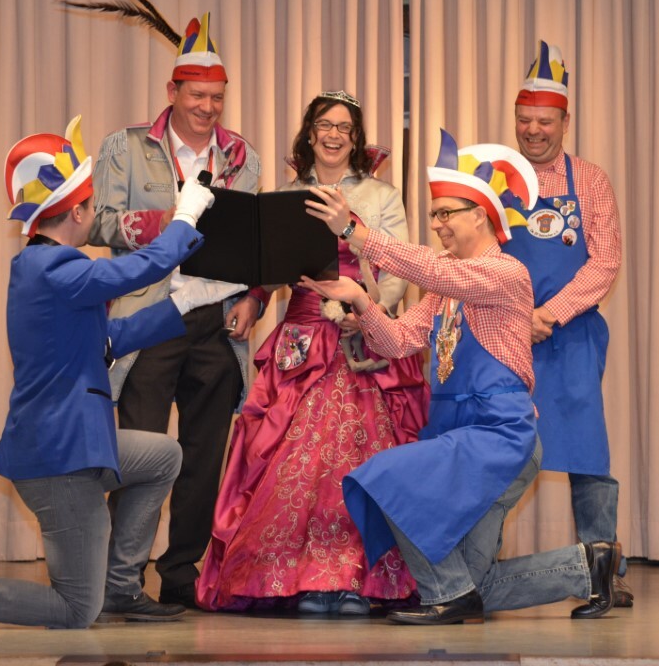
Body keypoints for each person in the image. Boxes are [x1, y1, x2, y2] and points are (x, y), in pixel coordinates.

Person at [0, 116, 222, 628]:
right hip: (60, 457)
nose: (95, 212)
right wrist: (184, 216)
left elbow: (107, 341)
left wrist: (181, 306)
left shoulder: (45, 268)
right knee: (76, 610)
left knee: (164, 455)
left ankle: (121, 585)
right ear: (76, 212)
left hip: (78, 441)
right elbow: (134, 270)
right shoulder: (55, 268)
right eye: (92, 204)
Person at [300, 130, 621, 625]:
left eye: (446, 213)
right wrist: (362, 301)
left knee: (389, 481)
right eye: (434, 215)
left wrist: (355, 233)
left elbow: (436, 271)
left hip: (500, 437)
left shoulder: (505, 274)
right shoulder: (447, 285)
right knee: (472, 583)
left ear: (481, 215)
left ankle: (446, 594)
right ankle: (587, 566)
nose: (437, 224)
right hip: (461, 436)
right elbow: (397, 341)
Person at [195, 91, 430, 614]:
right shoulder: (286, 195)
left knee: (355, 456)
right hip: (301, 338)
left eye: (344, 127)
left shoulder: (381, 196)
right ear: (310, 133)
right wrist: (254, 298)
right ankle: (291, 578)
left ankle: (354, 578)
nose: (333, 135)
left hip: (361, 334)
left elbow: (399, 267)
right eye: (325, 124)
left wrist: (365, 310)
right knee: (289, 458)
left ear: (356, 137)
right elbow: (268, 263)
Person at [86, 10, 262, 608]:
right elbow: (98, 223)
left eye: (217, 97)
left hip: (216, 320)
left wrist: (253, 297)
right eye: (197, 95)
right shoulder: (126, 147)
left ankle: (182, 575)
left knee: (204, 457)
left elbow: (254, 241)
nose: (208, 107)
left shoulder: (243, 156)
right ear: (172, 91)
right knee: (139, 451)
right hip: (149, 317)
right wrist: (172, 222)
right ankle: (122, 578)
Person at [507, 42, 630, 615]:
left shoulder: (591, 180)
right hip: (505, 337)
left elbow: (605, 261)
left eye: (545, 121)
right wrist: (517, 316)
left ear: (565, 121)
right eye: (525, 120)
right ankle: (474, 567)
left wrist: (550, 314)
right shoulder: (494, 178)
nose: (533, 131)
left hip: (571, 333)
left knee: (587, 453)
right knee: (500, 446)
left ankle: (603, 572)